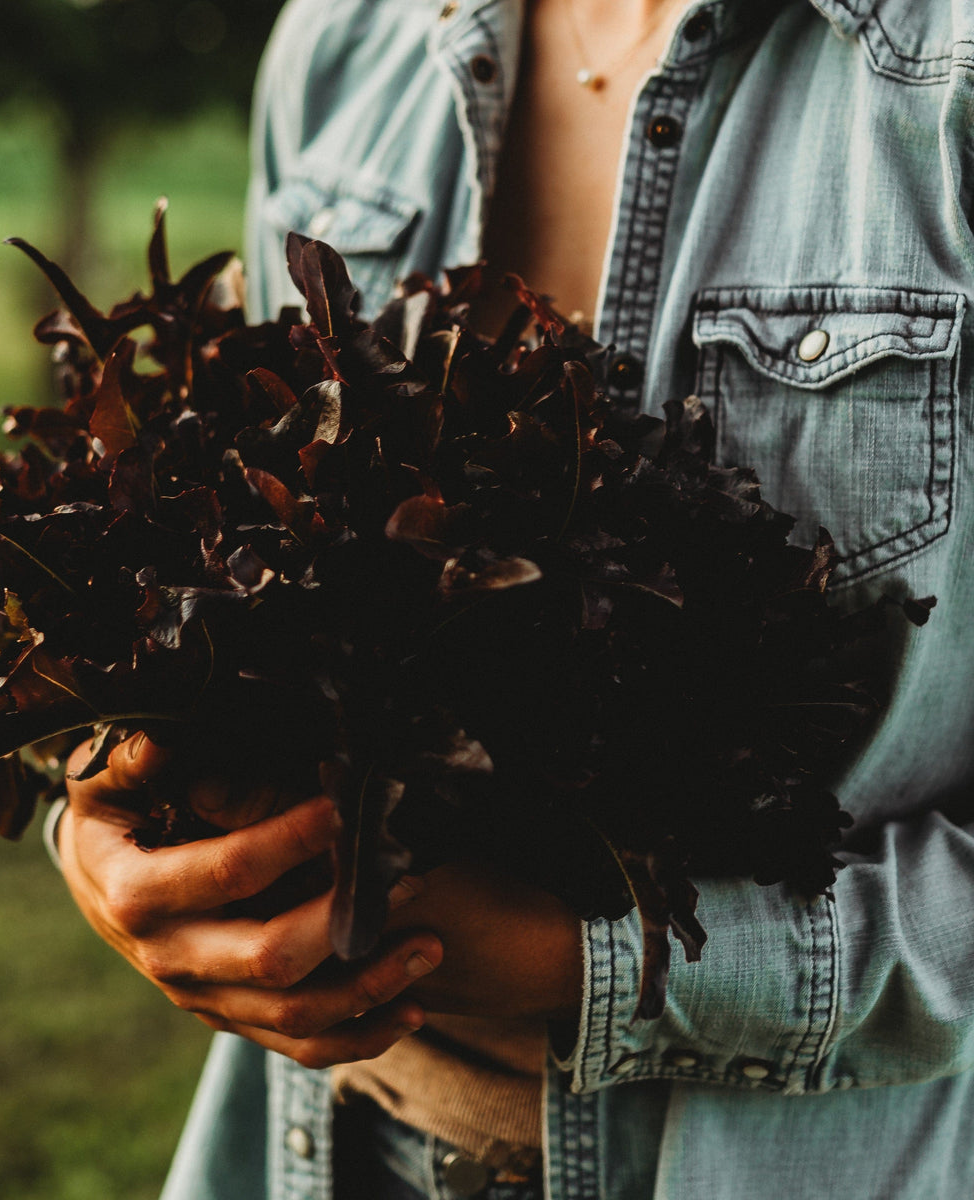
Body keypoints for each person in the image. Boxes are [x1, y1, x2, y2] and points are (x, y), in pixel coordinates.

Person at [48, 1, 974, 1196]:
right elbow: (247, 556)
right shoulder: (343, 41)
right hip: (328, 1148)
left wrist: (592, 961)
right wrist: (128, 825)